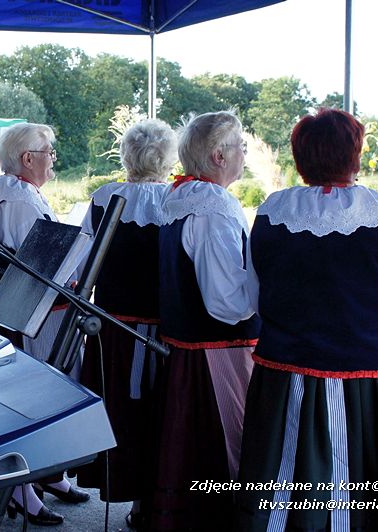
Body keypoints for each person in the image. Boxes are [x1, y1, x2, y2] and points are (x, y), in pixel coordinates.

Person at [236, 109, 378, 530]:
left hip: (286, 379)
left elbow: (255, 295)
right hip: (368, 380)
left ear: (301, 156)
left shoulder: (272, 212)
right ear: (354, 154)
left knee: (283, 486)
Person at [149, 111, 259, 529]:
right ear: (218, 155)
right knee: (228, 447)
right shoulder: (213, 206)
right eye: (241, 147)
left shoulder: (181, 198)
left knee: (192, 447)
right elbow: (227, 302)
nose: (244, 155)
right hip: (218, 355)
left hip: (190, 350)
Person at [0, 122, 89, 527]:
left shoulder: (17, 192)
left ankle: (49, 475)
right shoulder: (19, 200)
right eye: (50, 153)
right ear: (29, 158)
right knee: (34, 401)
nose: (53, 160)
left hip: (34, 311)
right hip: (30, 316)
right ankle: (22, 492)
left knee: (47, 399)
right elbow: (42, 265)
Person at [74, 119, 177, 527]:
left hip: (112, 332)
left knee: (125, 415)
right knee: (160, 417)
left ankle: (137, 500)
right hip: (163, 334)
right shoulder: (177, 199)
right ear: (167, 158)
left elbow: (81, 265)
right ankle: (153, 501)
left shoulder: (104, 197)